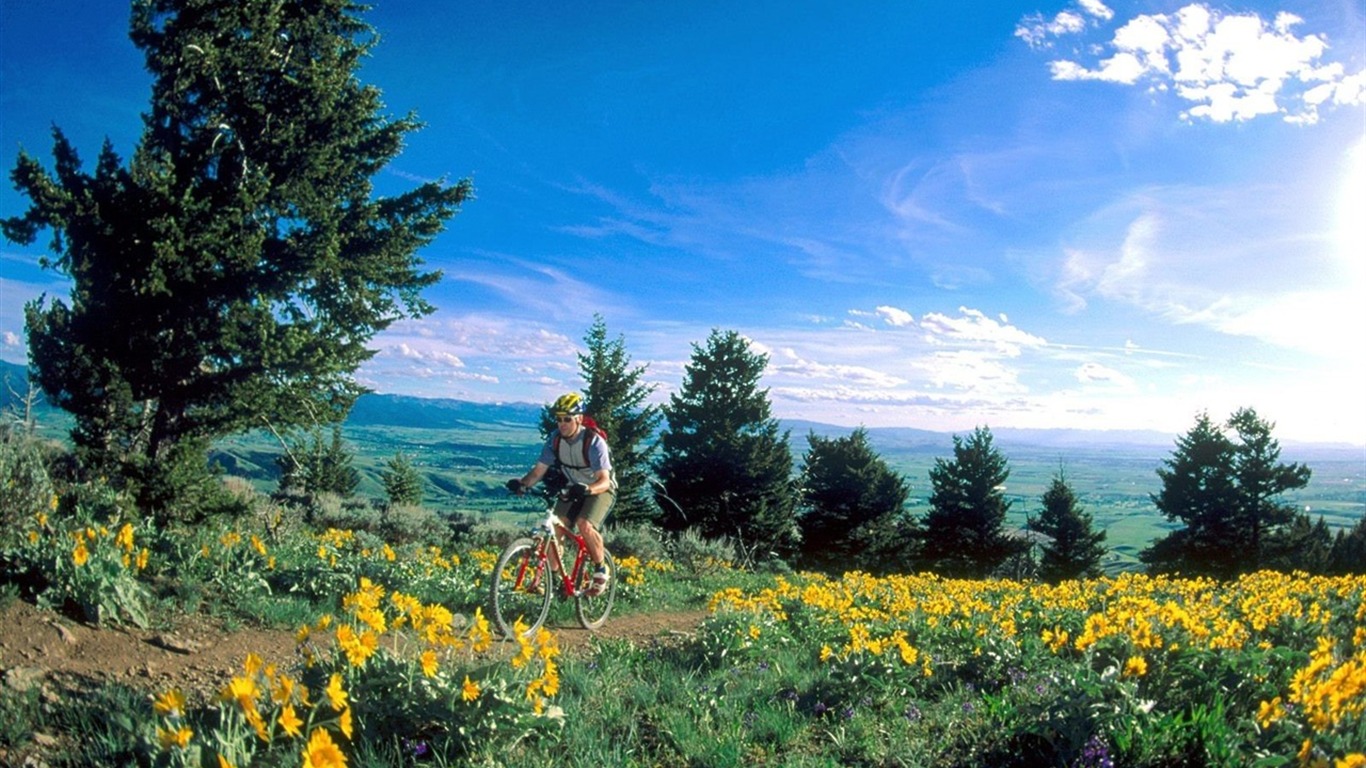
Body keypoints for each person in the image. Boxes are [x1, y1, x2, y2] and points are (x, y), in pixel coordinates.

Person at [507, 392, 616, 595]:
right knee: (556, 528)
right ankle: (553, 579)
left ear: (579, 419)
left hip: (600, 489)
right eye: (559, 419)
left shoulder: (593, 442)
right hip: (573, 487)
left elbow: (604, 480)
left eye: (567, 419)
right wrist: (522, 484)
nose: (562, 424)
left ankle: (601, 568)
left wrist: (588, 488)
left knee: (585, 524)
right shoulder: (555, 440)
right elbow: (539, 471)